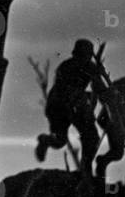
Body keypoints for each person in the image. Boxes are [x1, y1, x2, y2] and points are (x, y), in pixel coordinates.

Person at [37, 39, 101, 177]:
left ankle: (86, 171)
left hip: (76, 106)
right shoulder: (66, 67)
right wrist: (86, 98)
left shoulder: (91, 68)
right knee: (60, 140)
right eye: (82, 54)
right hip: (58, 107)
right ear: (76, 54)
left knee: (91, 137)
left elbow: (100, 89)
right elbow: (65, 91)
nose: (84, 58)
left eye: (87, 55)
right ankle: (45, 140)